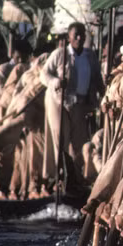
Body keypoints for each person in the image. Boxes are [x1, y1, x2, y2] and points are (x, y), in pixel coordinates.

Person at [41, 23, 104, 194]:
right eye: (75, 35)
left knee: (80, 141)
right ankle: (57, 177)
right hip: (58, 101)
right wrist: (55, 82)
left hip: (79, 103)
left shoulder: (90, 56)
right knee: (60, 138)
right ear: (69, 37)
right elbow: (44, 74)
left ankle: (76, 177)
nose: (79, 38)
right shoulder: (60, 54)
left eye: (82, 35)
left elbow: (97, 78)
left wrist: (101, 96)